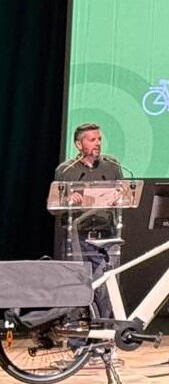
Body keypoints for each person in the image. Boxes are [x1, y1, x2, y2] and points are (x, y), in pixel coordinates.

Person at [53, 122, 124, 316]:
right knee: (79, 287)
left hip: (107, 237)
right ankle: (79, 331)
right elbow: (54, 207)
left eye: (99, 139)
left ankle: (105, 329)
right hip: (78, 238)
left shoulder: (112, 166)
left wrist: (118, 195)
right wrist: (68, 199)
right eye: (92, 140)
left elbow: (125, 194)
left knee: (106, 288)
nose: (97, 143)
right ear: (79, 144)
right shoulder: (66, 170)